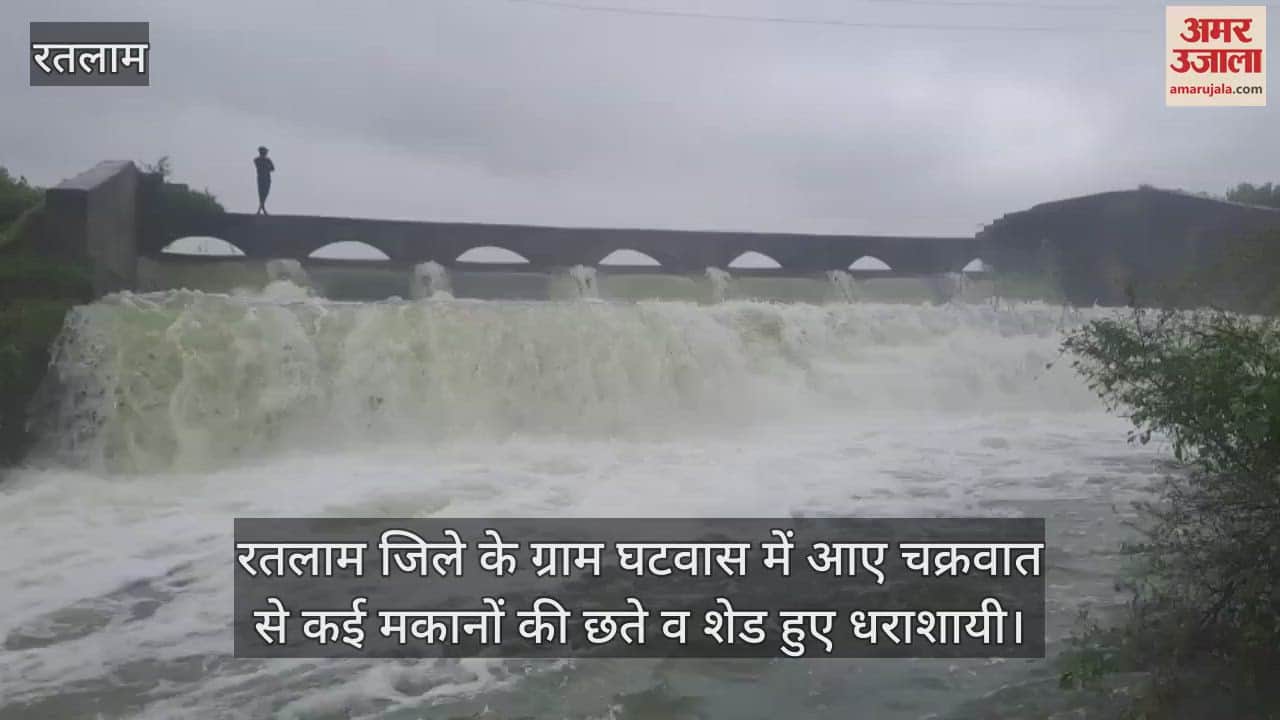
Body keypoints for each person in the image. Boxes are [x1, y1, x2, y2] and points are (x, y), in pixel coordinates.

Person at [254, 146, 275, 215]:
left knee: (265, 194)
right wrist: (266, 166)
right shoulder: (257, 160)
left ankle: (261, 208)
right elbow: (259, 166)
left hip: (267, 179)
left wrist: (267, 167)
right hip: (261, 178)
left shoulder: (268, 160)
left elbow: (272, 168)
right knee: (261, 194)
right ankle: (261, 209)